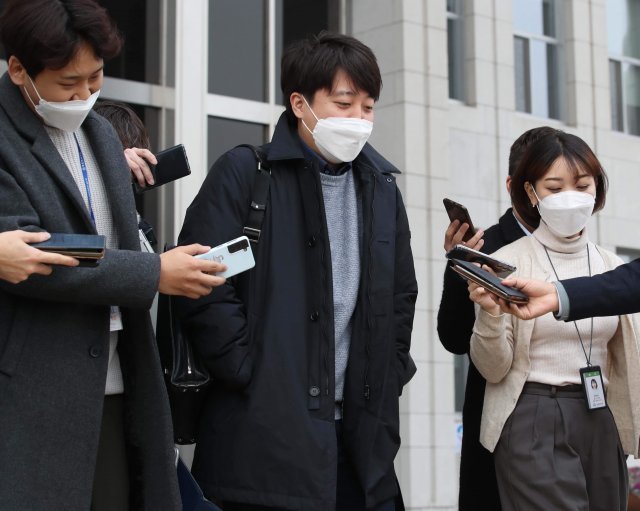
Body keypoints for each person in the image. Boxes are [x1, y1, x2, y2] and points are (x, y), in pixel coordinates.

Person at [176, 32, 418, 511]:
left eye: (368, 108)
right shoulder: (249, 175)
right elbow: (204, 281)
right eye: (345, 103)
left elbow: (401, 297)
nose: (359, 121)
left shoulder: (382, 191)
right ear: (300, 104)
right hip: (261, 442)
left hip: (359, 444)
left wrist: (391, 370)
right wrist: (247, 370)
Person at [0, 1, 226, 510]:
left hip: (123, 376)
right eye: (67, 83)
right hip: (37, 387)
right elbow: (35, 255)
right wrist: (154, 272)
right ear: (19, 70)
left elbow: (110, 239)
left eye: (96, 78)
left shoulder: (101, 134)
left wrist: (159, 262)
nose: (83, 95)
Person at [467, 129, 640, 510]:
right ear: (531, 193)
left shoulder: (614, 267)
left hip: (601, 414)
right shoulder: (509, 261)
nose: (571, 198)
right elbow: (493, 369)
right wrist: (492, 314)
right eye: (555, 187)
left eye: (581, 185)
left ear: (597, 190)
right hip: (534, 413)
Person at [436, 126, 554, 510]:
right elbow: (453, 339)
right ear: (513, 183)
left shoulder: (582, 250)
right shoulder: (487, 247)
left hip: (570, 421)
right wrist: (459, 267)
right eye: (542, 183)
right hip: (500, 424)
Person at [491, 259, 640, 320]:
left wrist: (556, 295)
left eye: (581, 189)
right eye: (554, 189)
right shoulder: (513, 257)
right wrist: (555, 294)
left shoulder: (611, 260)